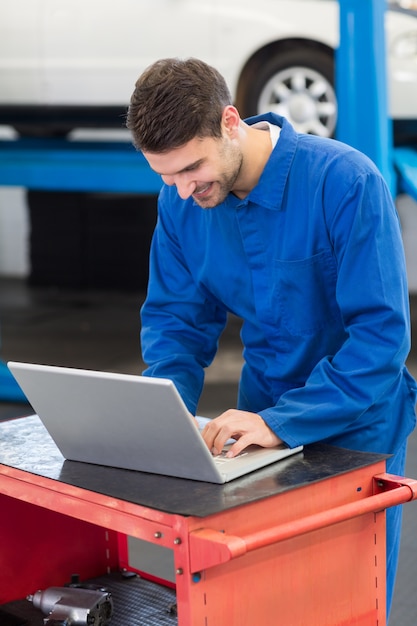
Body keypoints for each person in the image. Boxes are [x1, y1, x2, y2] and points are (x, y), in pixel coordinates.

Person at [126, 57, 417, 615]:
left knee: (347, 602)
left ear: (230, 122)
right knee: (268, 601)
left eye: (193, 169)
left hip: (358, 423)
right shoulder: (181, 202)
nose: (184, 191)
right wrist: (165, 412)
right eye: (167, 178)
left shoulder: (346, 183)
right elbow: (175, 321)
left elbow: (381, 339)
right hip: (259, 422)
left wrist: (277, 423)